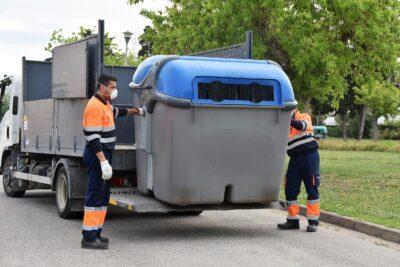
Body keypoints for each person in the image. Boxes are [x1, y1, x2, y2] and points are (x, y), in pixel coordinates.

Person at [81, 74, 143, 249]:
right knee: (94, 195)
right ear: (102, 87)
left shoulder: (105, 104)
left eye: (115, 87)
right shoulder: (94, 106)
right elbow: (92, 138)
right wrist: (103, 162)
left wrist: (137, 111)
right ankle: (88, 237)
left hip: (105, 156)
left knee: (103, 195)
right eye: (112, 87)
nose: (115, 90)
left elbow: (119, 112)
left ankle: (96, 233)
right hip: (97, 156)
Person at [278, 109, 320, 232]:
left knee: (312, 188)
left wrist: (286, 119)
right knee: (290, 188)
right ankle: (292, 220)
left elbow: (301, 126)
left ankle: (313, 222)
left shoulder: (304, 116)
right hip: (294, 158)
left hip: (309, 156)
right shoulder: (284, 125)